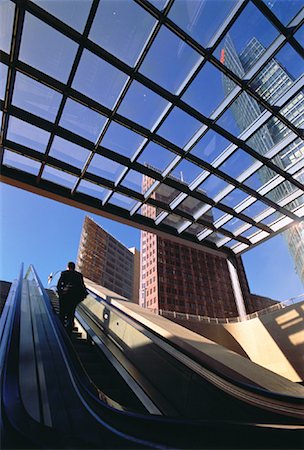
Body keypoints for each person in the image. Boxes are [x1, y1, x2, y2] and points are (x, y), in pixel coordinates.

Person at [57, 261, 88, 334]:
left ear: (68, 267)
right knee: (71, 313)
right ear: (74, 268)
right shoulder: (79, 275)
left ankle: (60, 331)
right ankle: (69, 331)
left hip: (65, 295)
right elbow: (82, 287)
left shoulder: (64, 273)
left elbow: (59, 284)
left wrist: (60, 292)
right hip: (75, 296)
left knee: (62, 312)